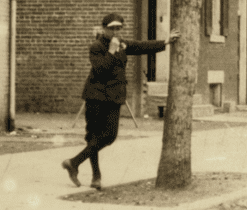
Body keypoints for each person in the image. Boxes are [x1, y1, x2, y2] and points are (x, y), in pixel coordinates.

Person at [62, 13, 176, 190]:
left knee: (110, 135)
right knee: (94, 136)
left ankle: (74, 162)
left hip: (114, 98)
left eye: (118, 28)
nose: (115, 31)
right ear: (104, 29)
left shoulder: (123, 44)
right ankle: (96, 177)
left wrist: (165, 42)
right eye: (111, 28)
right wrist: (111, 51)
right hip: (96, 97)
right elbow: (101, 70)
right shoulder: (96, 47)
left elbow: (141, 46)